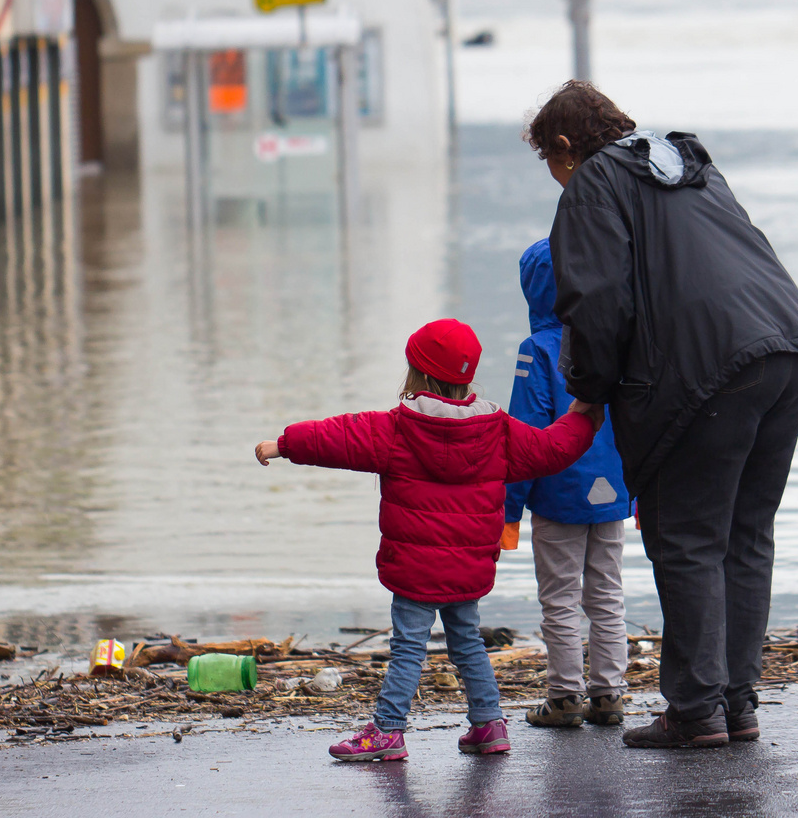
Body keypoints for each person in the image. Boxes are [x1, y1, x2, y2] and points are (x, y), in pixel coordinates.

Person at [527, 81, 798, 749]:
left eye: (548, 162)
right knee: (745, 537)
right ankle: (736, 703)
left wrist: (587, 386)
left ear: (565, 146)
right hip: (790, 349)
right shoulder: (686, 166)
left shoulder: (593, 181)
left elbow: (596, 299)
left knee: (688, 538)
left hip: (709, 369)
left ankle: (695, 712)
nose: (554, 179)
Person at [254, 318, 599, 762]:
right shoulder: (498, 430)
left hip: (415, 568)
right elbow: (551, 449)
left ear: (417, 373)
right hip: (469, 566)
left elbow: (335, 437)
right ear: (467, 375)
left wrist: (283, 444)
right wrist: (582, 418)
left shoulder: (396, 428)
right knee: (468, 642)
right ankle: (489, 724)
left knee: (408, 648)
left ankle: (388, 730)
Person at [503, 238, 633, 730]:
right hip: (613, 490)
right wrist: (635, 491)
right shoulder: (614, 340)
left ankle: (564, 697)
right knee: (607, 593)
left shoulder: (536, 350)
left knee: (559, 596)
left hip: (557, 493)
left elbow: (526, 434)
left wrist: (509, 511)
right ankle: (609, 694)